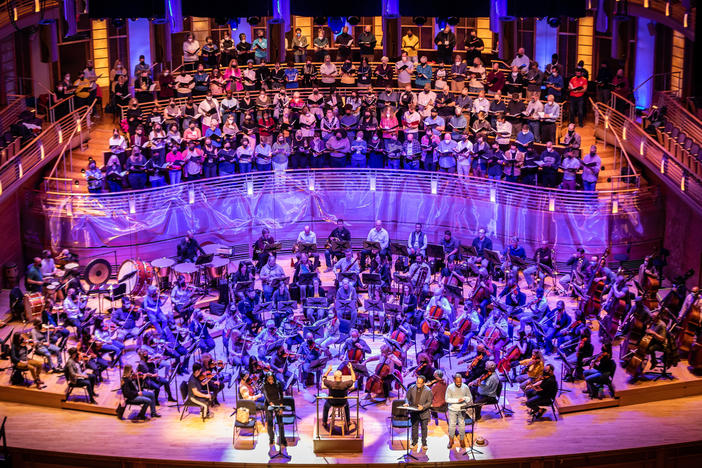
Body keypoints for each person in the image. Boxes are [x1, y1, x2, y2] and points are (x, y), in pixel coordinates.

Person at [321, 364, 356, 432]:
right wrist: (351, 368)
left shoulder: (330, 384)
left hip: (332, 402)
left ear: (334, 377)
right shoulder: (345, 384)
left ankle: (324, 422)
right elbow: (353, 379)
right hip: (343, 402)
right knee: (346, 405)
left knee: (326, 407)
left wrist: (328, 370)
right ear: (341, 377)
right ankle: (348, 421)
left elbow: (323, 378)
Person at [445, 372, 473, 451]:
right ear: (454, 380)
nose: (459, 383)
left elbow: (470, 397)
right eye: (457, 382)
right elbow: (447, 399)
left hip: (462, 409)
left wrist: (465, 398)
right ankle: (451, 440)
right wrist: (457, 400)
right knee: (452, 425)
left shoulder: (465, 387)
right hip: (453, 409)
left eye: (460, 382)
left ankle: (461, 440)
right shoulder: (450, 387)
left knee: (462, 425)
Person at [406, 375, 433, 451]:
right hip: (414, 411)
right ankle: (414, 442)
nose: (417, 384)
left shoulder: (428, 391)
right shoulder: (411, 388)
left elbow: (429, 402)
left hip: (424, 413)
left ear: (424, 383)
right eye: (417, 382)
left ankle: (424, 443)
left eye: (420, 383)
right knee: (414, 427)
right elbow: (407, 398)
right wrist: (407, 403)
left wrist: (423, 407)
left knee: (424, 428)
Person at [262, 372, 287, 450]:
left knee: (280, 422)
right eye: (269, 379)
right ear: (266, 379)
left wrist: (281, 405)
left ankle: (282, 439)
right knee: (270, 423)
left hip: (277, 402)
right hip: (268, 404)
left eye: (272, 379)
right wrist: (270, 403)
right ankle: (271, 439)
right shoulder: (264, 385)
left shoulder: (278, 384)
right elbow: (266, 396)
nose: (271, 381)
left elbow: (281, 394)